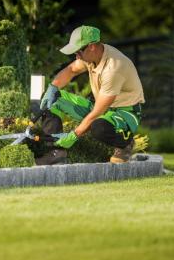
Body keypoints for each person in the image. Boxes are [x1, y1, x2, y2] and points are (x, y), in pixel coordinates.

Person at [36, 25, 145, 165]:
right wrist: (52, 87)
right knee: (52, 100)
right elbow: (71, 70)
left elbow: (97, 113)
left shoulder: (113, 68)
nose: (77, 56)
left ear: (92, 46)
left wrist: (73, 135)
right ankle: (56, 152)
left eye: (78, 52)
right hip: (101, 106)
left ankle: (125, 143)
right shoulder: (91, 57)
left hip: (124, 113)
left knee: (98, 127)